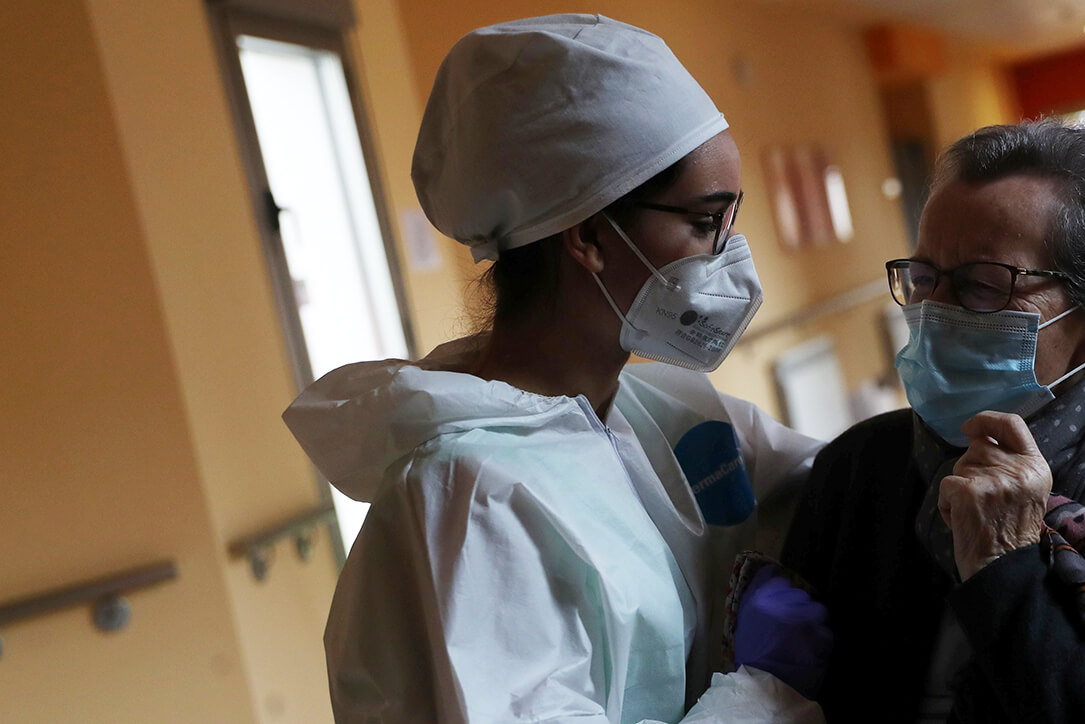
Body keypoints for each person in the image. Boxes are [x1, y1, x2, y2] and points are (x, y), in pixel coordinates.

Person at [283, 15, 828, 723]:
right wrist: (763, 692)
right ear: (589, 235)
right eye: (704, 223)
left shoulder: (660, 410)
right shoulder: (472, 496)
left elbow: (843, 477)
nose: (731, 255)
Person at [781, 121, 1085, 722]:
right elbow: (779, 688)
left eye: (982, 286)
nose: (932, 314)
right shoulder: (858, 466)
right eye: (922, 280)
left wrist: (1004, 569)